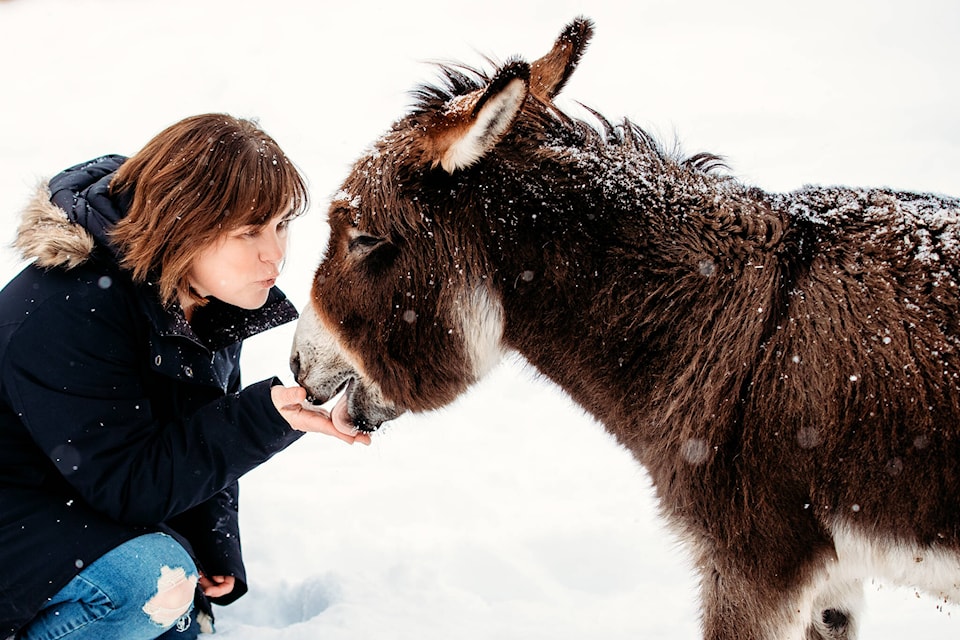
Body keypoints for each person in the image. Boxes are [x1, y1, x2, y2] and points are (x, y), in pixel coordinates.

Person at [0, 113, 370, 640]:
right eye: (249, 231)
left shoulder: (202, 295)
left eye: (281, 224)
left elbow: (191, 425)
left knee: (178, 605)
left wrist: (213, 545)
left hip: (71, 497)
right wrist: (260, 420)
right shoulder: (70, 308)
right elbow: (127, 481)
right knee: (150, 581)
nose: (276, 253)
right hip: (17, 508)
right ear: (184, 226)